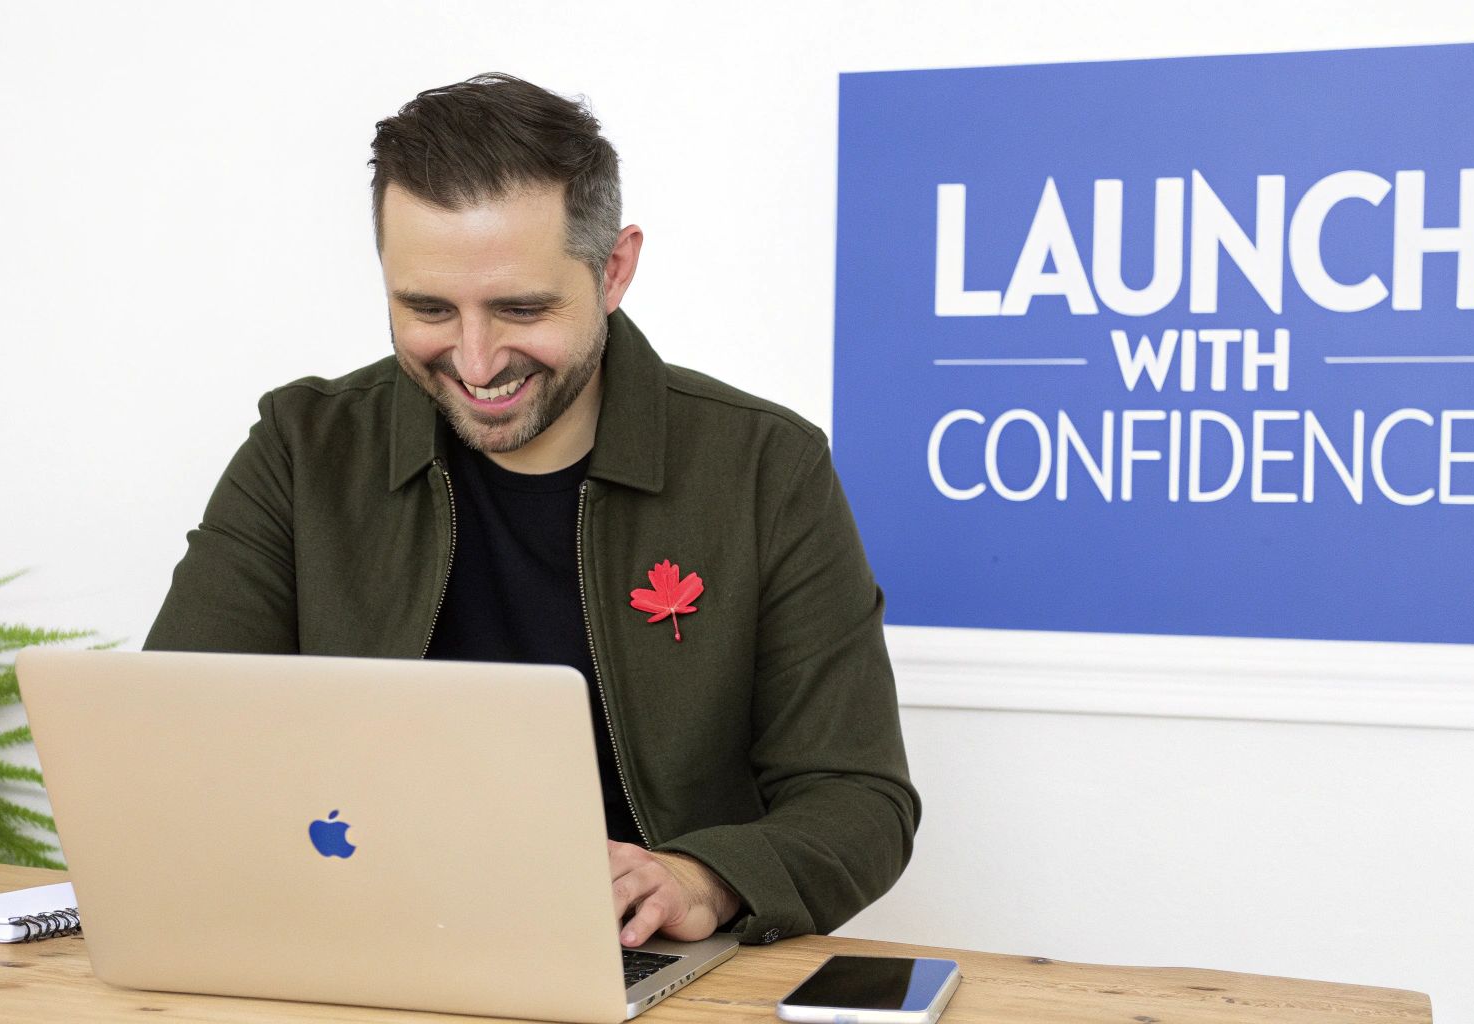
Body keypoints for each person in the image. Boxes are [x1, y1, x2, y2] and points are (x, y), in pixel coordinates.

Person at [143, 72, 919, 949]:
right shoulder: (301, 446)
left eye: (520, 307)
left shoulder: (763, 466)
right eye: (428, 307)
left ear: (613, 269)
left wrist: (702, 879)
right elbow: (175, 742)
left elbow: (861, 801)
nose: (475, 361)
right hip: (347, 941)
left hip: (636, 964)